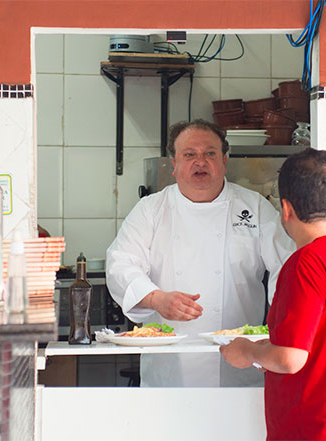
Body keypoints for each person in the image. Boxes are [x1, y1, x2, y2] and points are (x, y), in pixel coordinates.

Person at [106, 119, 295, 387]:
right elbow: (120, 264)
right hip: (169, 369)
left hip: (239, 363)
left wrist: (282, 332)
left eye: (210, 153)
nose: (200, 161)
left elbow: (287, 267)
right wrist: (156, 298)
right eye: (189, 155)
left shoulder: (254, 207)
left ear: (224, 160)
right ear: (174, 165)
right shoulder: (151, 210)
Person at [220, 148, 326, 440]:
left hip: (319, 431)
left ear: (286, 210)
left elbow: (290, 359)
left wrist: (247, 352)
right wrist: (266, 349)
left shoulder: (305, 264)